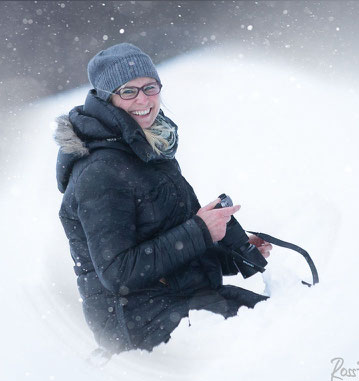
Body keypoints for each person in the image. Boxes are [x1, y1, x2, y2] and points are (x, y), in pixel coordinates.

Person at [54, 43, 272, 355]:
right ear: (108, 98)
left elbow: (168, 240)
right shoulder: (99, 172)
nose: (143, 99)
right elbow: (118, 274)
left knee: (290, 317)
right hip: (137, 326)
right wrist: (199, 230)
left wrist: (234, 251)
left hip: (178, 301)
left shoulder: (149, 148)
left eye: (149, 87)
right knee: (277, 333)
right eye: (128, 91)